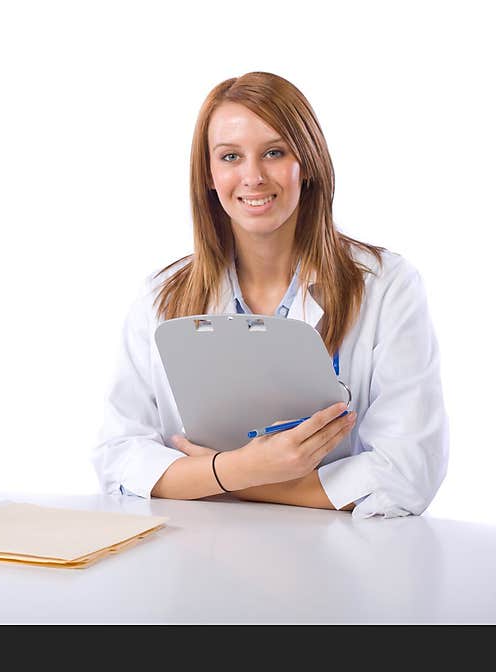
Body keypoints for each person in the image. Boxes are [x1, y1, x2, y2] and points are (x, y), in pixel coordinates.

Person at [91, 72, 448, 518]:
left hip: (340, 568)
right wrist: (248, 469)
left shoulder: (385, 286)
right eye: (230, 156)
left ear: (309, 163)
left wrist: (223, 477)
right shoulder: (161, 297)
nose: (253, 176)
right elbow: (119, 459)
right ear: (209, 174)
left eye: (274, 152)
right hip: (194, 564)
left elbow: (407, 475)